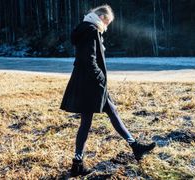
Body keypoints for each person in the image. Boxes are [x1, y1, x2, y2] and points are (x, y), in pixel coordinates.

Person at [59, 4, 156, 177]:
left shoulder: (85, 27)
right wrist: (100, 78)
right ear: (102, 17)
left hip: (89, 81)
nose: (107, 26)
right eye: (108, 22)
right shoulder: (91, 29)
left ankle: (135, 147)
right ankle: (77, 163)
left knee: (112, 111)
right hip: (91, 83)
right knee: (86, 122)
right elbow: (88, 59)